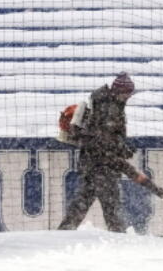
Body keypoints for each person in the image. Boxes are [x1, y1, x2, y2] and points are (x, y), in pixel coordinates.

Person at [58, 73, 139, 232]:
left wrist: (121, 147)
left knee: (81, 206)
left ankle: (63, 233)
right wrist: (121, 148)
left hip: (92, 164)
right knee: (112, 209)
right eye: (128, 93)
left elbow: (101, 136)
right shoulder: (108, 108)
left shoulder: (103, 102)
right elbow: (103, 138)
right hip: (103, 166)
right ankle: (119, 239)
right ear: (120, 91)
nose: (129, 97)